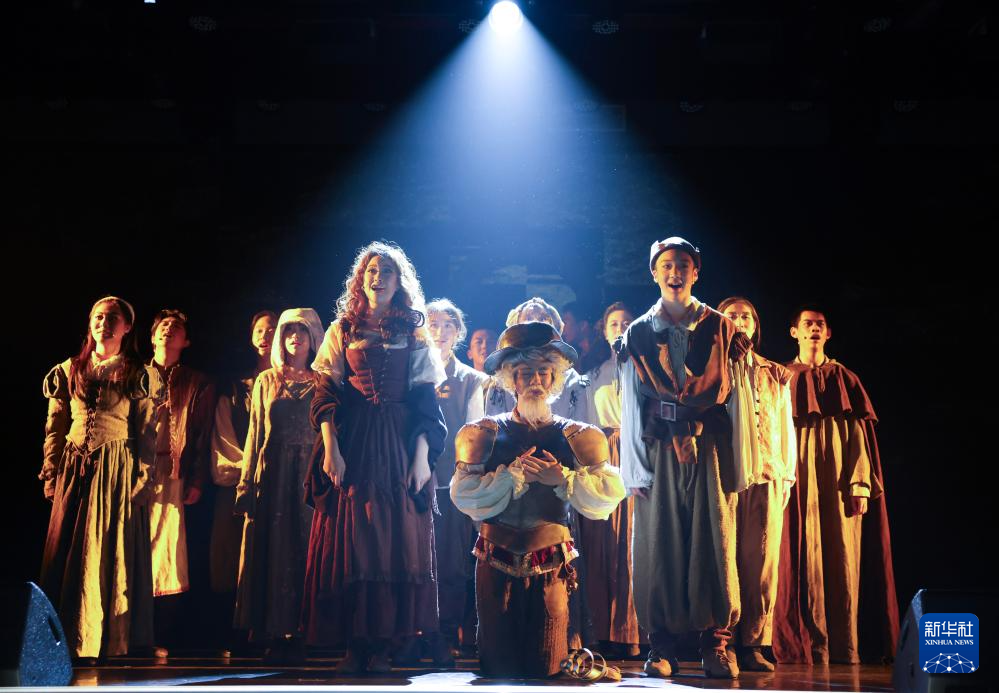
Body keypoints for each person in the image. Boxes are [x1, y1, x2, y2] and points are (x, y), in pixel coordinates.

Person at [450, 321, 626, 678]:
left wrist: (563, 480)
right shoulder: (482, 432)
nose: (535, 380)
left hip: (551, 564)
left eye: (544, 372)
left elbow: (608, 494)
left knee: (546, 667)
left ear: (555, 377)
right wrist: (509, 477)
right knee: (497, 669)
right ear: (510, 379)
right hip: (495, 560)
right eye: (525, 372)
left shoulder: (580, 435)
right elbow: (463, 493)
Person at [302, 242, 447, 674]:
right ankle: (355, 645)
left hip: (400, 441)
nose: (377, 277)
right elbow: (325, 393)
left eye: (385, 270)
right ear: (360, 278)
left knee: (394, 540)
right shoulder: (343, 329)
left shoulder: (414, 332)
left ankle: (385, 644)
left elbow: (426, 403)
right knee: (354, 538)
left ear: (399, 281)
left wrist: (421, 459)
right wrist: (331, 449)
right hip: (356, 441)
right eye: (370, 270)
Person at [619, 237, 753, 679]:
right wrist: (634, 469)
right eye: (666, 265)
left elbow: (738, 399)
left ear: (695, 272)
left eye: (683, 265)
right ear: (654, 273)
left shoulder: (721, 328)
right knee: (658, 540)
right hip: (660, 446)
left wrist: (741, 462)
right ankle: (661, 645)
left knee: (715, 538)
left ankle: (716, 643)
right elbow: (632, 403)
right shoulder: (639, 332)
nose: (674, 272)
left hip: (709, 446)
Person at [773, 308, 898, 665]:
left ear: (828, 333)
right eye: (807, 324)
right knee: (803, 558)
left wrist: (860, 483)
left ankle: (845, 647)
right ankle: (811, 646)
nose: (814, 329)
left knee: (842, 558)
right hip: (796, 475)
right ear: (794, 332)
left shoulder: (845, 377)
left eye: (820, 325)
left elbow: (859, 435)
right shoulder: (782, 377)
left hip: (841, 478)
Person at [39, 296, 158, 664]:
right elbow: (56, 425)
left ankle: (100, 639)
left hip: (115, 469)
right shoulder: (69, 369)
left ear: (127, 327)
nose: (104, 323)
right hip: (75, 467)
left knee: (104, 549)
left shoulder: (137, 373)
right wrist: (51, 469)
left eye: (112, 318)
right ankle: (63, 640)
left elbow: (148, 431)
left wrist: (145, 478)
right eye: (98, 317)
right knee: (67, 551)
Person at [233, 308, 325, 662]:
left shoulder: (323, 381)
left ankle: (305, 631)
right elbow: (255, 435)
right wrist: (245, 485)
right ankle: (273, 631)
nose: (295, 337)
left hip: (309, 475)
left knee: (306, 549)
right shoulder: (267, 380)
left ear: (313, 338)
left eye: (301, 331)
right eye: (288, 331)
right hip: (273, 475)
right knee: (274, 551)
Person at [718, 297, 796, 672]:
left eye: (746, 316)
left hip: (766, 472)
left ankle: (753, 642)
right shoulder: (710, 368)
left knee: (761, 562)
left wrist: (786, 475)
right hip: (724, 474)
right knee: (724, 558)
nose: (740, 321)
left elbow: (785, 426)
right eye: (732, 315)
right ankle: (721, 641)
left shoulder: (774, 373)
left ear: (755, 324)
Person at [142, 309, 216, 658]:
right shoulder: (134, 375)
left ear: (186, 341)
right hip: (134, 472)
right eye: (163, 326)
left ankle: (160, 633)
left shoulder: (196, 381)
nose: (169, 330)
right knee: (132, 548)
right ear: (152, 335)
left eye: (177, 327)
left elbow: (201, 433)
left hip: (173, 474)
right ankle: (125, 631)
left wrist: (197, 477)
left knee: (168, 553)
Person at [209, 310, 277, 655]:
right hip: (243, 482)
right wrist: (247, 472)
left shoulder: (299, 381)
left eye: (273, 329)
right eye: (260, 330)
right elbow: (224, 437)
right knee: (233, 555)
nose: (266, 335)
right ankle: (237, 633)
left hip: (280, 483)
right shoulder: (237, 388)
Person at [425, 299, 488, 662]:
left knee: (450, 562)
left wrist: (467, 483)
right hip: (413, 481)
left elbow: (473, 436)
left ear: (458, 332)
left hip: (451, 483)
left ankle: (445, 633)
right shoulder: (412, 371)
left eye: (448, 325)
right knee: (416, 560)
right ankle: (414, 632)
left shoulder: (471, 379)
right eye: (433, 324)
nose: (440, 331)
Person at [577, 302, 641, 658]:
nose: (620, 328)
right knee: (601, 543)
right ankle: (600, 630)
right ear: (603, 331)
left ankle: (631, 632)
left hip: (636, 452)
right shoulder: (591, 374)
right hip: (601, 453)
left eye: (627, 323)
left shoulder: (647, 369)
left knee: (631, 543)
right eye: (614, 323)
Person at [485, 298, 590, 425]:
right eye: (528, 317)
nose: (535, 321)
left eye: (543, 318)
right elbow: (494, 429)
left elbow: (580, 430)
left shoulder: (574, 381)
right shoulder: (499, 383)